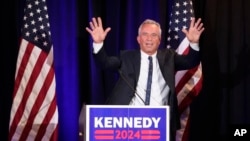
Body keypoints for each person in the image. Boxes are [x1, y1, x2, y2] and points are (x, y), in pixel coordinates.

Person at [86, 17, 204, 141]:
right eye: (145, 34)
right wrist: (98, 44)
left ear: (159, 40)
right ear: (138, 39)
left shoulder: (169, 57)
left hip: (159, 121)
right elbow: (106, 63)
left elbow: (191, 61)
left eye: (154, 35)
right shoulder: (127, 57)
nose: (149, 38)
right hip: (129, 121)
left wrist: (194, 43)